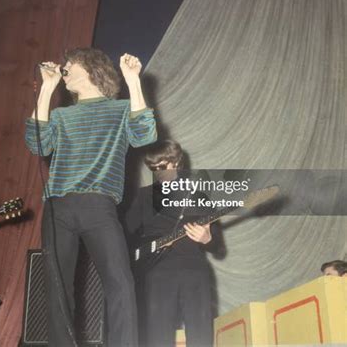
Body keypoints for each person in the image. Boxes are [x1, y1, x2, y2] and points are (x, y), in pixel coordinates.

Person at [25, 48, 157, 347]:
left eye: (71, 63)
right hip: (58, 208)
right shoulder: (61, 115)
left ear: (91, 68)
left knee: (121, 284)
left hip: (99, 206)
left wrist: (133, 81)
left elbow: (144, 134)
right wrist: (47, 88)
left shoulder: (121, 109)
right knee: (58, 290)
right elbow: (37, 144)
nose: (64, 67)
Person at [126, 140, 224, 347]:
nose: (158, 172)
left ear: (177, 162)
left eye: (162, 167)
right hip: (157, 274)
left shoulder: (198, 195)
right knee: (157, 336)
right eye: (153, 168)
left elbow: (219, 247)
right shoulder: (143, 197)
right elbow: (126, 237)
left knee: (201, 333)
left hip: (194, 271)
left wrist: (208, 238)